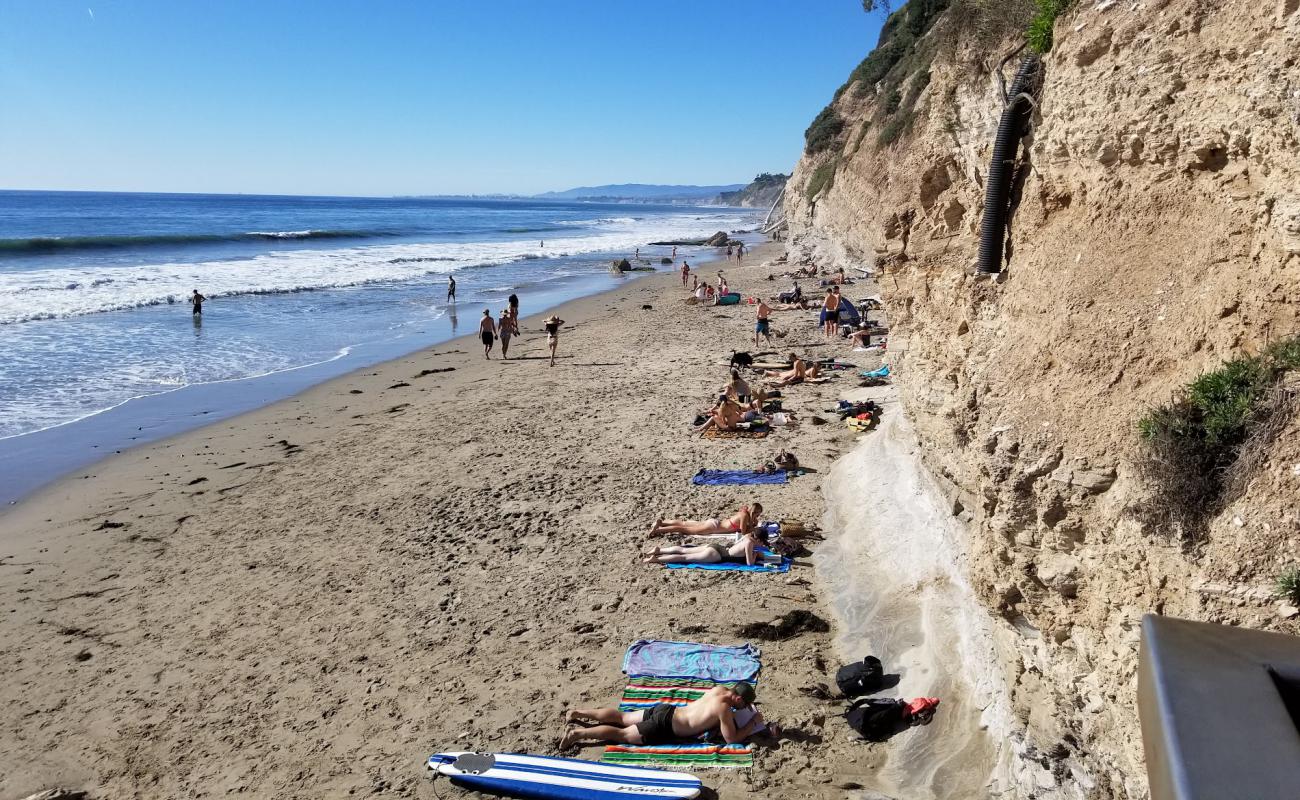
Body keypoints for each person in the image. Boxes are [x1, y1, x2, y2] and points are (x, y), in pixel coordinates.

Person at [560, 683, 765, 750]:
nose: (743, 708)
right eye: (744, 705)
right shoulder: (725, 709)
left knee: (622, 717)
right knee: (622, 735)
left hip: (667, 709)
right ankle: (577, 734)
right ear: (737, 699)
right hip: (666, 725)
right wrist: (752, 723)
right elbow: (731, 739)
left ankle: (577, 712)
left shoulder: (718, 689)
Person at [643, 524, 769, 567]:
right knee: (684, 558)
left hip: (717, 547)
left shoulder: (748, 537)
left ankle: (659, 550)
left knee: (683, 551)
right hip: (717, 555)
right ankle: (656, 559)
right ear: (759, 539)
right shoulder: (749, 544)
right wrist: (754, 554)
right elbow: (749, 564)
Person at [650, 502, 762, 538]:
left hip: (714, 522)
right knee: (684, 529)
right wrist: (753, 527)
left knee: (684, 523)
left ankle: (663, 522)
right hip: (713, 527)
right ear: (755, 513)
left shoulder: (744, 510)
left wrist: (753, 522)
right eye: (758, 514)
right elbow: (743, 532)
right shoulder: (745, 516)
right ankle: (658, 529)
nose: (758, 517)